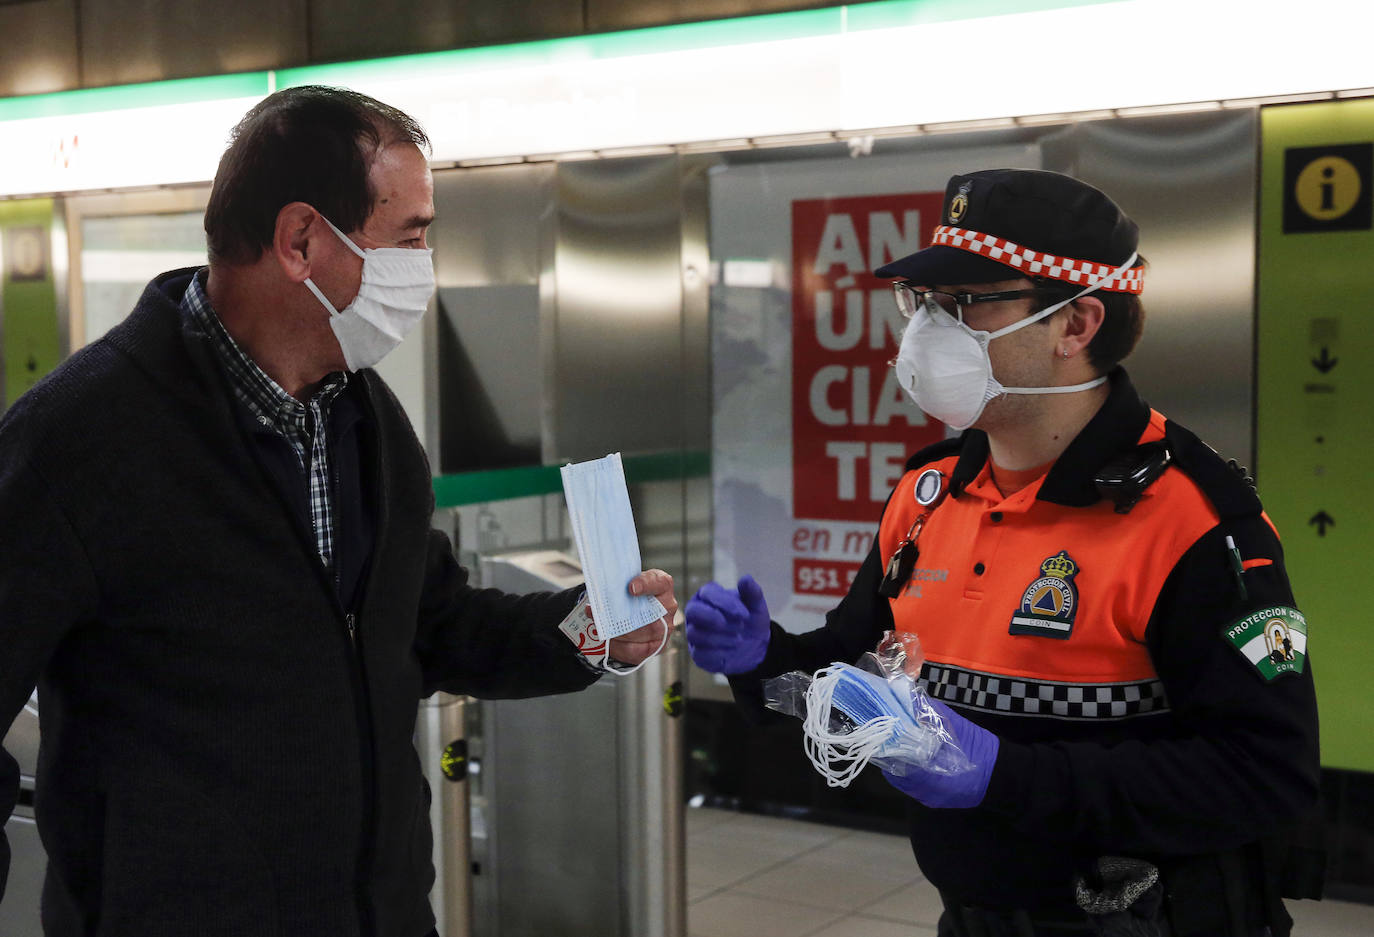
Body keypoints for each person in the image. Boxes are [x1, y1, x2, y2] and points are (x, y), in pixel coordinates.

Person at [0, 85, 676, 937]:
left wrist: (581, 632)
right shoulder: (81, 439)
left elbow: (419, 620)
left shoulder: (368, 421)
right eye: (412, 233)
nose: (425, 263)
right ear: (301, 241)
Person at [685, 169, 1322, 937]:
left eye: (965, 303)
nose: (926, 329)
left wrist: (1003, 774)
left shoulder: (1190, 518)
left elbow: (1264, 772)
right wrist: (761, 660)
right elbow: (851, 678)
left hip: (1159, 920)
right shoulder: (928, 494)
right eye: (924, 304)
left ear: (1076, 324)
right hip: (977, 918)